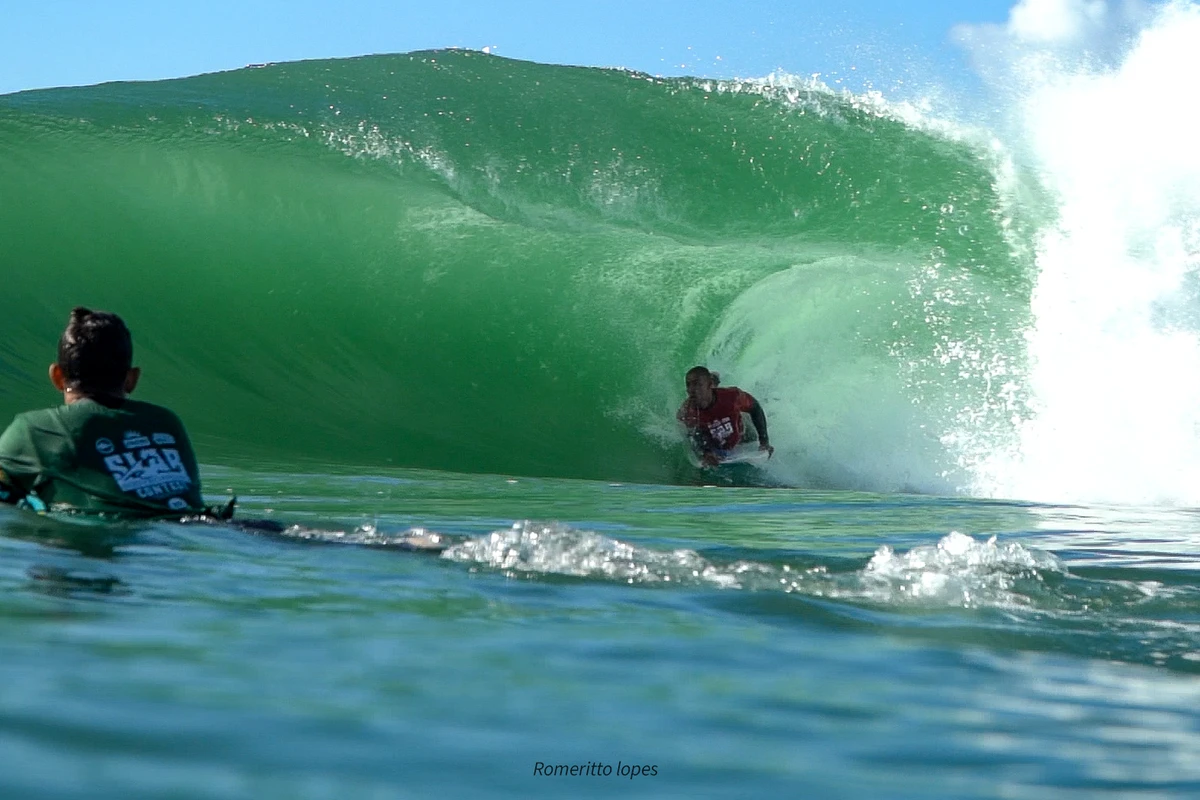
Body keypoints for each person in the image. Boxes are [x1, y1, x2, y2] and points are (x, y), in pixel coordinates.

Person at [0, 307, 215, 518]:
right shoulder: (167, 423)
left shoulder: (35, 429)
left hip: (110, 530)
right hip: (203, 528)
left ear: (56, 376)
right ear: (132, 378)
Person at [677, 366, 774, 467]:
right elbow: (694, 435)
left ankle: (714, 378)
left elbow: (755, 408)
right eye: (688, 385)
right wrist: (706, 453)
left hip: (742, 429)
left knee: (751, 434)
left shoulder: (732, 397)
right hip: (714, 440)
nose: (691, 390)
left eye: (697, 384)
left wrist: (764, 442)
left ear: (709, 384)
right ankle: (711, 380)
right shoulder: (688, 412)